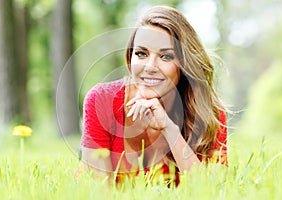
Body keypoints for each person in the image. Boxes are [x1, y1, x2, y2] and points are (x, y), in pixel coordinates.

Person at [79, 5, 228, 185]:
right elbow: (97, 190)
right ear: (129, 58)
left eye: (166, 56)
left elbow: (214, 191)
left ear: (184, 65)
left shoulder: (208, 113)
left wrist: (169, 129)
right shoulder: (101, 100)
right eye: (141, 53)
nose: (150, 67)